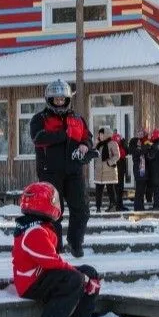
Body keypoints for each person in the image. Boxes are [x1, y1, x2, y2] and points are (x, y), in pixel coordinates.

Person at [12, 181, 101, 317]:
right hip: (30, 283)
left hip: (42, 276)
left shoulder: (40, 227)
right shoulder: (33, 231)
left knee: (90, 272)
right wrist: (78, 275)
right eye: (54, 201)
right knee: (75, 278)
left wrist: (83, 275)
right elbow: (51, 261)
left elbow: (52, 263)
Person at [30, 79, 95, 258]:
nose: (59, 102)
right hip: (50, 171)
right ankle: (54, 247)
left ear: (67, 99)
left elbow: (87, 137)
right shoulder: (40, 118)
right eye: (56, 99)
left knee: (81, 209)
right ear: (49, 99)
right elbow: (38, 137)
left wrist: (85, 145)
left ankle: (75, 242)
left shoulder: (77, 118)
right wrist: (63, 135)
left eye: (62, 99)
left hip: (74, 171)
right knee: (52, 212)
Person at [94, 127, 120, 212]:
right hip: (99, 171)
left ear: (106, 134)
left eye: (102, 134)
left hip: (109, 170)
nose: (100, 136)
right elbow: (93, 152)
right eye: (100, 134)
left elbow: (117, 155)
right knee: (98, 190)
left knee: (110, 189)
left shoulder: (113, 143)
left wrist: (109, 163)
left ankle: (112, 206)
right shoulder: (99, 144)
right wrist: (95, 143)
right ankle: (98, 207)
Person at [127, 129, 150, 211]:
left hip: (144, 169)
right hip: (138, 169)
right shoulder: (134, 143)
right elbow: (135, 152)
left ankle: (141, 206)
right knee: (139, 188)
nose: (140, 135)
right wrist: (140, 148)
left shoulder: (145, 142)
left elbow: (147, 150)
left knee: (142, 189)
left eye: (142, 133)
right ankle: (137, 207)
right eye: (139, 133)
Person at [112, 130, 129, 211]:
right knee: (118, 189)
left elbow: (127, 151)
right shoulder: (114, 149)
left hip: (120, 171)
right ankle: (118, 205)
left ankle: (120, 205)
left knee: (120, 189)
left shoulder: (121, 147)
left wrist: (123, 141)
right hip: (116, 171)